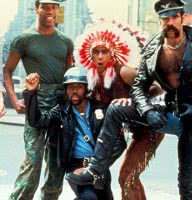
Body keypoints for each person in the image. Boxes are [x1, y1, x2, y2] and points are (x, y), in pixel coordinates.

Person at [66, 0, 192, 199]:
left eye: (174, 17)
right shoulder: (152, 48)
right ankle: (94, 170)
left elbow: (154, 89)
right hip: (156, 116)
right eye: (165, 18)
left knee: (183, 182)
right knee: (125, 175)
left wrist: (141, 103)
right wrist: (145, 109)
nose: (170, 22)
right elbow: (139, 88)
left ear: (182, 17)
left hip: (181, 120)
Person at [74, 19, 165, 199]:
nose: (100, 56)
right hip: (136, 131)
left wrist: (133, 100)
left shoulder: (123, 71)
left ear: (112, 54)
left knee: (126, 176)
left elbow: (157, 87)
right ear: (90, 56)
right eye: (96, 52)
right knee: (129, 177)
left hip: (149, 130)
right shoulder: (94, 81)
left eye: (104, 52)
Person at [3, 0, 74, 199]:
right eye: (45, 6)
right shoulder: (24, 38)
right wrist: (15, 100)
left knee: (56, 161)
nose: (50, 11)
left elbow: (70, 74)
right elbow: (7, 70)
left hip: (60, 102)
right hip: (37, 100)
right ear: (37, 9)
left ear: (57, 10)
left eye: (53, 7)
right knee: (33, 160)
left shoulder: (66, 41)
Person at [23, 67, 113, 200]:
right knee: (89, 198)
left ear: (86, 88)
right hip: (76, 167)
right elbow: (37, 122)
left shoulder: (99, 109)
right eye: (70, 87)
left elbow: (114, 140)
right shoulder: (61, 112)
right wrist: (31, 93)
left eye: (79, 87)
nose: (74, 91)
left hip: (98, 166)